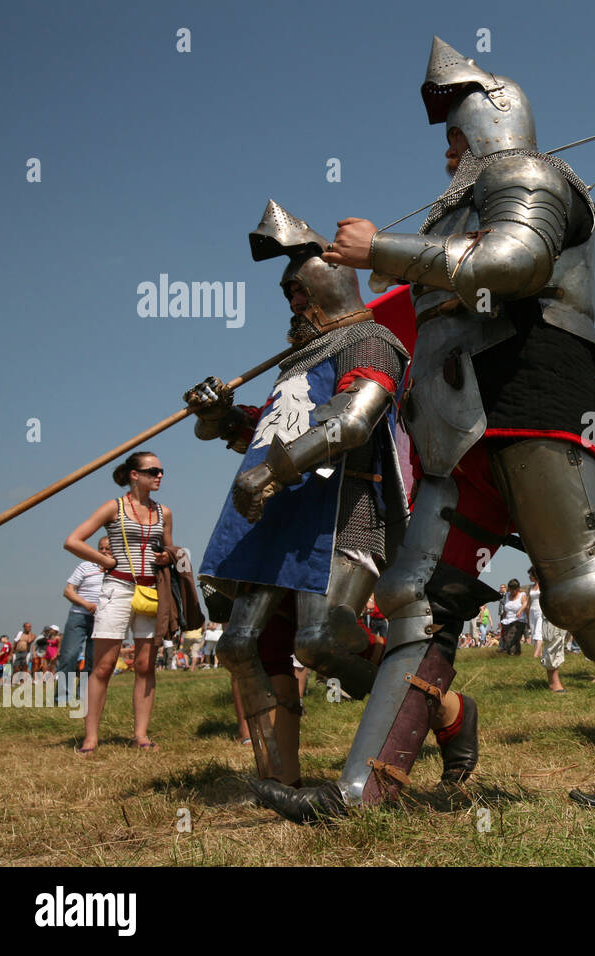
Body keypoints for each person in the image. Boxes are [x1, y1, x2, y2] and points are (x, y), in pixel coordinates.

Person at [252, 37, 595, 820]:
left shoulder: (533, 177)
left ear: (489, 121)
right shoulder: (464, 202)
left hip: (532, 399)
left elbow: (515, 261)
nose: (446, 153)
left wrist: (385, 251)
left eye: (454, 136)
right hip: (459, 427)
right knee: (414, 598)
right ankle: (366, 791)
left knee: (580, 591)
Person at [186, 201, 414, 791]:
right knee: (239, 643)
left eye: (297, 293)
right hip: (284, 513)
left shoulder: (371, 340)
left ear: (328, 287)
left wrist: (270, 474)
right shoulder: (295, 364)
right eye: (287, 296)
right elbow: (263, 436)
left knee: (320, 640)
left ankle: (437, 709)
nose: (292, 305)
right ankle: (277, 779)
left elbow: (352, 421)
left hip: (343, 511)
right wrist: (220, 415)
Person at [64, 450, 175, 752]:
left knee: (144, 665)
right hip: (117, 588)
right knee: (103, 665)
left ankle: (140, 735)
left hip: (150, 591)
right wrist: (104, 560)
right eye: (153, 471)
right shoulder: (113, 507)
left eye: (161, 471)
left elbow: (168, 549)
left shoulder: (163, 512)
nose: (160, 475)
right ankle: (91, 738)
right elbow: (73, 540)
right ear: (134, 475)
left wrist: (168, 554)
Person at [499, 579, 528, 656]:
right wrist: (502, 620)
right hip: (507, 620)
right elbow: (505, 609)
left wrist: (520, 610)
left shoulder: (522, 595)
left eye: (513, 590)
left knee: (511, 637)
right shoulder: (507, 595)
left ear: (517, 589)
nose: (511, 592)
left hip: (519, 620)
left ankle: (510, 653)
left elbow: (525, 603)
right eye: (510, 590)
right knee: (508, 638)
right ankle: (516, 654)